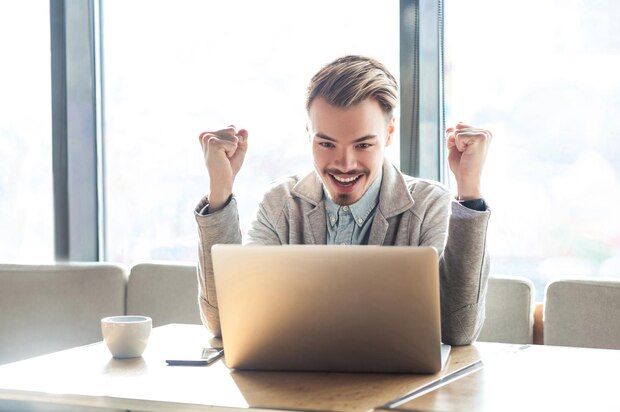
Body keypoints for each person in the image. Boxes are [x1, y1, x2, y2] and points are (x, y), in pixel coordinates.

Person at [194, 55, 492, 346]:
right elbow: (224, 323)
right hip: (291, 389)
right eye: (326, 143)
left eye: (363, 144)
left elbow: (457, 329)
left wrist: (469, 190)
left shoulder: (429, 205)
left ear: (388, 134)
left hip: (401, 393)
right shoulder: (280, 203)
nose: (345, 164)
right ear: (308, 134)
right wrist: (220, 190)